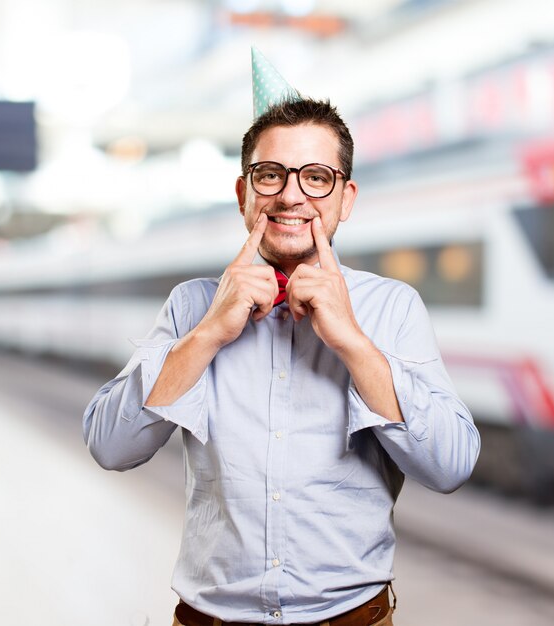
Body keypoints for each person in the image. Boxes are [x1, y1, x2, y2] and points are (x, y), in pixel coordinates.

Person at [83, 49, 480, 626]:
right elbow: (109, 446)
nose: (291, 196)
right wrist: (209, 333)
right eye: (271, 174)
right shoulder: (193, 305)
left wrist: (351, 342)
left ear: (346, 198)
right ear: (244, 194)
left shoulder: (391, 308)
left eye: (317, 177)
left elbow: (450, 466)